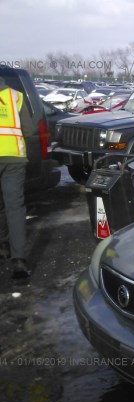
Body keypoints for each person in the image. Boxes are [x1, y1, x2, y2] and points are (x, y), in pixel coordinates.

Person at [0, 76, 32, 279]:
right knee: (14, 207)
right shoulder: (15, 96)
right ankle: (18, 260)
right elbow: (28, 130)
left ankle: (3, 245)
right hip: (14, 160)